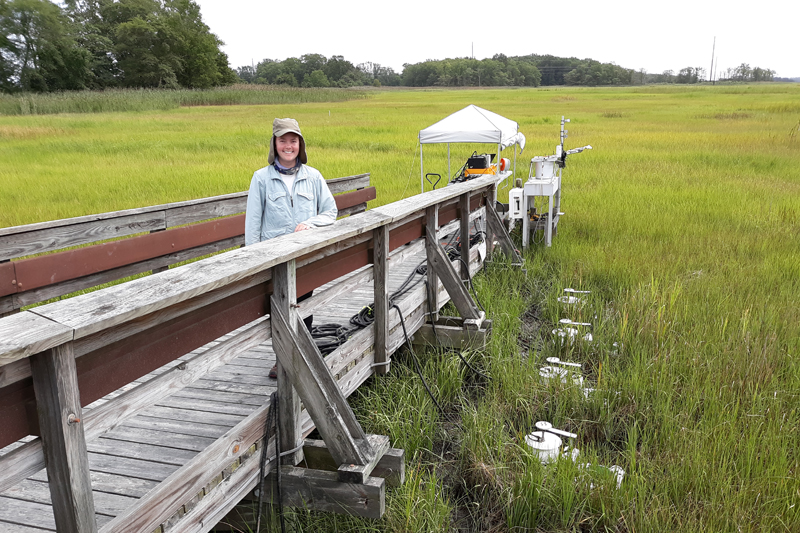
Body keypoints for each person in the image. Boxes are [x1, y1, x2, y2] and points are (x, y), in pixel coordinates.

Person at [245, 118, 337, 378]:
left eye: (293, 141)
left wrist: (310, 222)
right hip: (274, 257)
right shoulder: (261, 178)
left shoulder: (313, 176)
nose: (288, 146)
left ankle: (304, 355)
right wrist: (253, 260)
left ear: (300, 144)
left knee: (304, 304)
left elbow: (331, 211)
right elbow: (253, 223)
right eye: (282, 140)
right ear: (274, 144)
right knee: (280, 308)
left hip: (304, 256)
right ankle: (281, 359)